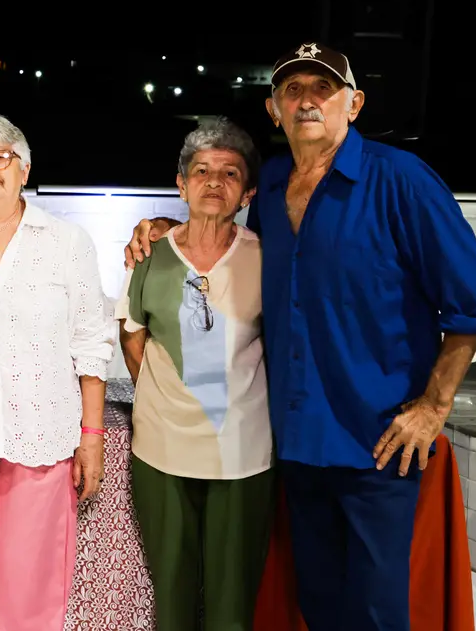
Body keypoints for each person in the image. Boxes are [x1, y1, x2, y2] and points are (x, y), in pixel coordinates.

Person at [124, 43, 476, 631]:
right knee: (317, 606)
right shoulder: (272, 185)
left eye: (323, 88)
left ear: (355, 103)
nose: (307, 101)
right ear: (273, 110)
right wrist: (170, 226)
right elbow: (227, 242)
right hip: (295, 444)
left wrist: (434, 405)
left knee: (377, 612)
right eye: (292, 90)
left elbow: (471, 305)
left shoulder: (402, 181)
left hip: (376, 444)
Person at [0, 113, 114, 631]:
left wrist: (92, 435)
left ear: (24, 168)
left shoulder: (65, 241)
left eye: (0, 156)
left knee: (28, 595)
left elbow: (91, 343)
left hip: (40, 436)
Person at [118, 118, 272, 631]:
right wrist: (163, 400)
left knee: (232, 603)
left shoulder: (265, 259)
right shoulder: (149, 254)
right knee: (172, 595)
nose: (213, 182)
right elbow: (133, 337)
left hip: (243, 452)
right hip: (161, 450)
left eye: (230, 173)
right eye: (201, 170)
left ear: (248, 193)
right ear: (181, 184)